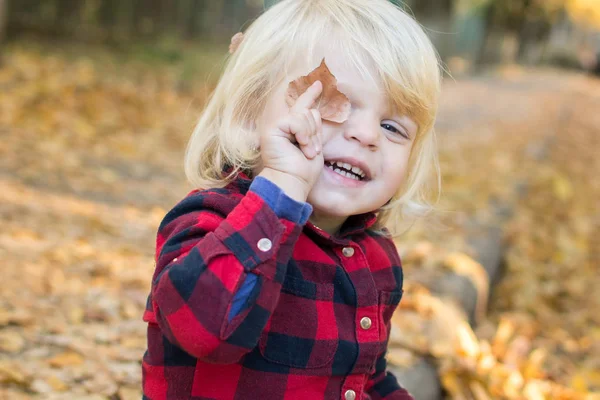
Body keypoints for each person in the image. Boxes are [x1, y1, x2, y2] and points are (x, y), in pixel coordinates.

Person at [141, 0, 441, 399]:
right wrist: (282, 186)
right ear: (251, 116)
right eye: (335, 105)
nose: (367, 135)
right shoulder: (211, 219)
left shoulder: (377, 257)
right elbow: (204, 331)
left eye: (392, 127)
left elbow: (364, 377)